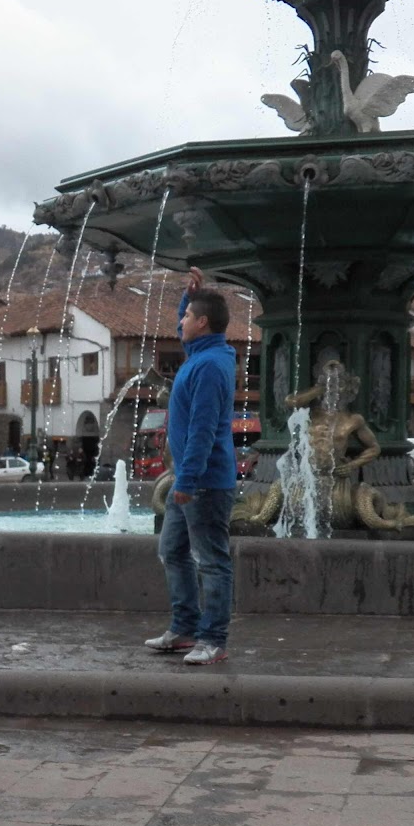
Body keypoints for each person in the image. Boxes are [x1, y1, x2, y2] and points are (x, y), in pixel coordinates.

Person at [145, 268, 237, 665]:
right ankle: (184, 629)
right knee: (172, 552)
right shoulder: (202, 355)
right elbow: (187, 327)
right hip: (192, 481)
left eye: (186, 316)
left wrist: (187, 479)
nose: (179, 321)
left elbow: (203, 428)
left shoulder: (212, 366)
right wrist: (189, 296)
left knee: (212, 561)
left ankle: (213, 640)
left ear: (202, 323)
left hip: (204, 484)